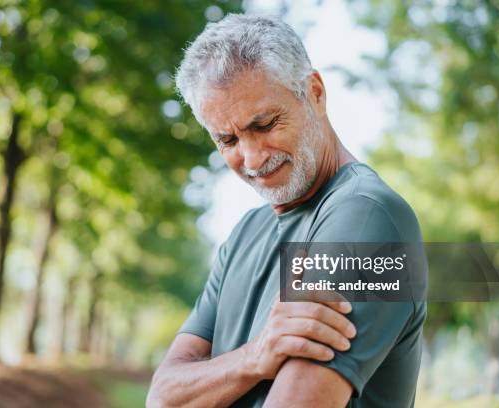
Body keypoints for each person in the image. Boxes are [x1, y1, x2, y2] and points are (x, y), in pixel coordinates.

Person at [147, 14, 426, 407]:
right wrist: (254, 358)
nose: (251, 157)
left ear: (315, 93)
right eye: (227, 139)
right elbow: (162, 396)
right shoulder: (246, 232)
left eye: (264, 124)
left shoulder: (367, 220)